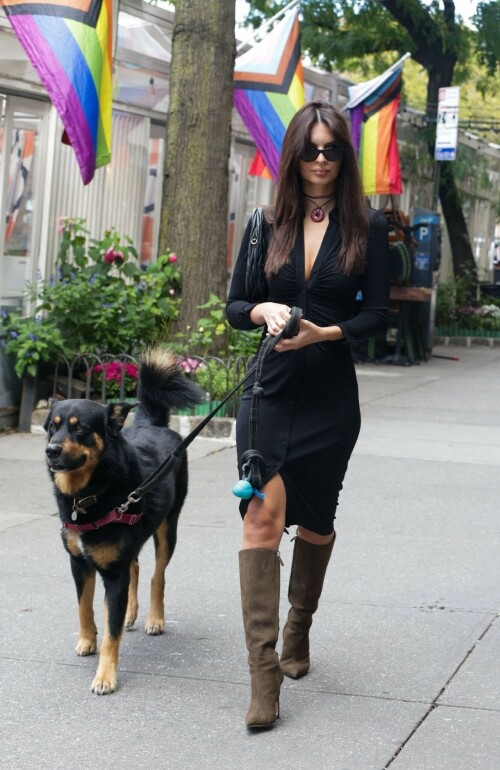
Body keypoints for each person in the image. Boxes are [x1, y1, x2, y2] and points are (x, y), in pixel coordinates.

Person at [226, 101, 390, 729]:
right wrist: (263, 310)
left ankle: (299, 627)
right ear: (291, 154)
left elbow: (376, 316)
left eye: (331, 151)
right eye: (309, 150)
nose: (320, 161)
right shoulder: (265, 224)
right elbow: (235, 305)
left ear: (343, 158)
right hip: (268, 390)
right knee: (261, 519)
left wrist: (325, 334)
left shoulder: (366, 226)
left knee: (316, 521)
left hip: (329, 396)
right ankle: (263, 676)